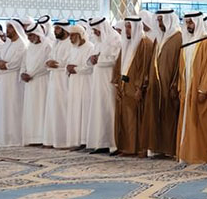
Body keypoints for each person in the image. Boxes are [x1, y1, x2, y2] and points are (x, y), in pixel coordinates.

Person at [142, 8, 182, 158]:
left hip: (169, 85)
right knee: (155, 116)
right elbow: (153, 60)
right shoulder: (159, 38)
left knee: (169, 117)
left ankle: (169, 149)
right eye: (158, 20)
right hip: (156, 85)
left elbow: (180, 64)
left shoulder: (178, 37)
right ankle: (156, 147)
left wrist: (175, 83)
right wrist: (148, 77)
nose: (159, 23)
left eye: (161, 20)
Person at [177, 12, 207, 165]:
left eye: (191, 23)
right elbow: (182, 68)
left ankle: (198, 155)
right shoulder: (187, 42)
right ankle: (185, 153)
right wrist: (181, 87)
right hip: (187, 90)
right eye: (187, 23)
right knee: (186, 122)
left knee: (198, 124)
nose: (189, 26)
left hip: (198, 91)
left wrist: (202, 90)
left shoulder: (205, 41)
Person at [116, 15, 156, 156]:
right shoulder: (127, 43)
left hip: (136, 88)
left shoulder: (145, 43)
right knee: (125, 119)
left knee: (138, 119)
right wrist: (118, 83)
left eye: (129, 26)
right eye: (125, 26)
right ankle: (128, 148)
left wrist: (140, 87)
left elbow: (145, 68)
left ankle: (140, 148)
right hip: (125, 86)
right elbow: (120, 64)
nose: (126, 29)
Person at [84, 18, 120, 152]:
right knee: (99, 109)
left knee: (109, 109)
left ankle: (113, 144)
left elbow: (115, 59)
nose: (95, 32)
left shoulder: (115, 38)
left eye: (96, 29)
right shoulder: (97, 42)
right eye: (93, 30)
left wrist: (98, 60)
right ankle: (101, 142)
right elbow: (90, 59)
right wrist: (91, 60)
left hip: (109, 79)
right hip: (97, 80)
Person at [0, 20, 27, 147]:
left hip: (14, 81)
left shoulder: (22, 44)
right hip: (2, 80)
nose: (8, 30)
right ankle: (3, 138)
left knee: (13, 108)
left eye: (11, 28)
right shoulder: (6, 43)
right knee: (3, 108)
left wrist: (5, 64)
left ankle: (14, 138)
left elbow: (17, 63)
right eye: (7, 28)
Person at [20, 22, 51, 146]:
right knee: (31, 110)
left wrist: (31, 74)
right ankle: (32, 137)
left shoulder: (47, 46)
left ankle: (42, 137)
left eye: (31, 35)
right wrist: (23, 73)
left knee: (41, 108)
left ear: (38, 34)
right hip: (30, 83)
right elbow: (24, 63)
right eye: (28, 36)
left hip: (42, 81)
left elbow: (46, 64)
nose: (29, 38)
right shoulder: (29, 47)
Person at [64, 23, 94, 149]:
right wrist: (68, 68)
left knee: (84, 110)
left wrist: (75, 69)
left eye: (72, 36)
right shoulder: (73, 48)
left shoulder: (90, 47)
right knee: (75, 110)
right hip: (74, 83)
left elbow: (89, 67)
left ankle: (85, 140)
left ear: (80, 35)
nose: (70, 38)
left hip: (85, 82)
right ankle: (76, 139)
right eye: (69, 36)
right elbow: (67, 63)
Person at [42, 24, 72, 147]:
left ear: (65, 29)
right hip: (54, 79)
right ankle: (53, 139)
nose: (55, 31)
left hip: (64, 80)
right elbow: (50, 59)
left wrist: (57, 65)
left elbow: (69, 62)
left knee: (63, 108)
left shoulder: (70, 43)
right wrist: (48, 62)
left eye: (58, 29)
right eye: (55, 29)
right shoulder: (56, 43)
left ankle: (64, 140)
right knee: (54, 108)